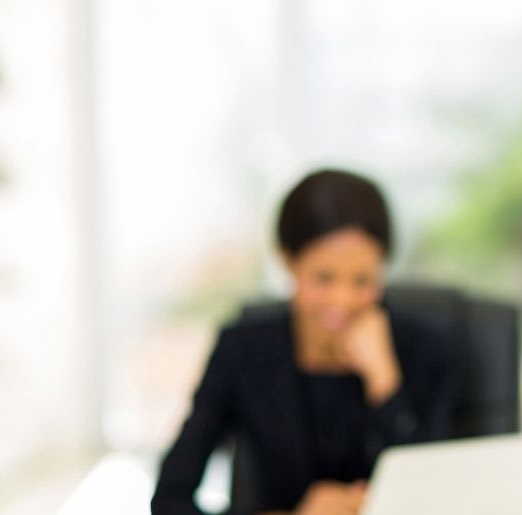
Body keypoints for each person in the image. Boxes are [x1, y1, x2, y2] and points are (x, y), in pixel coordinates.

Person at [153, 169, 451, 515]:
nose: (343, 300)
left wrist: (385, 385)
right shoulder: (242, 351)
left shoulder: (426, 351)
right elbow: (168, 501)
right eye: (323, 279)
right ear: (288, 263)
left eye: (363, 280)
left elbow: (435, 499)